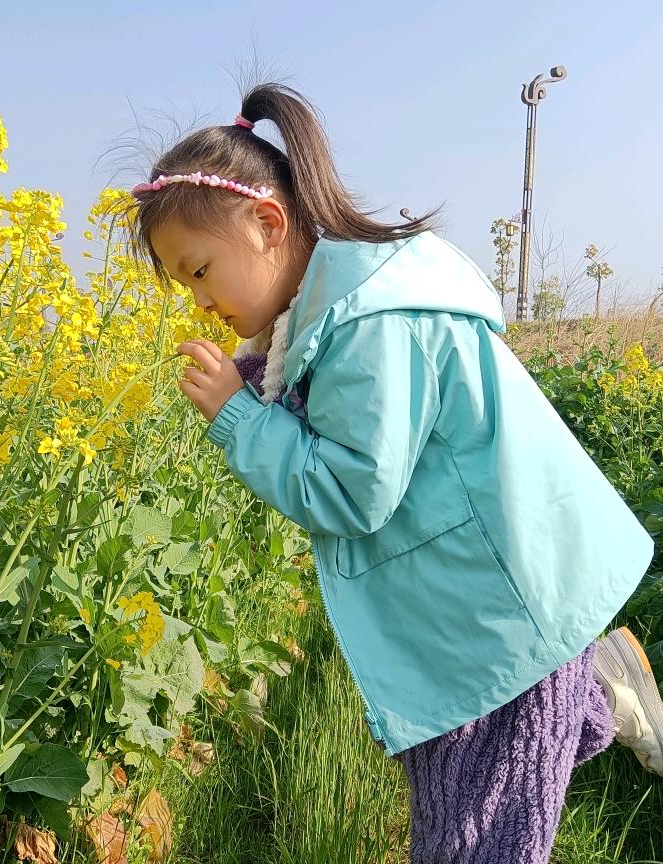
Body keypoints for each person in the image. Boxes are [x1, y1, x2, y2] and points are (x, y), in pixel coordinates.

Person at [121, 82, 663, 863]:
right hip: (466, 609)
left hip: (494, 615)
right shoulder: (332, 312)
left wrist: (238, 420)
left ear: (269, 224)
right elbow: (316, 402)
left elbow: (350, 491)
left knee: (474, 837)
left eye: (200, 271)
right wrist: (253, 389)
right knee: (482, 784)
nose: (199, 301)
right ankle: (596, 682)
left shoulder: (372, 324)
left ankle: (583, 679)